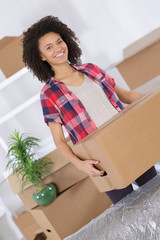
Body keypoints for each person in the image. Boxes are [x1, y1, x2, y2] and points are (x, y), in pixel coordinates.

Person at [22, 16, 157, 204]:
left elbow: (125, 96)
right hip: (101, 160)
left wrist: (154, 101)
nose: (58, 48)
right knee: (129, 209)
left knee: (156, 193)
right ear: (42, 57)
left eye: (59, 41)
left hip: (128, 140)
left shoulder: (92, 69)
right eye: (49, 47)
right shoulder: (49, 94)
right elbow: (59, 141)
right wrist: (80, 165)